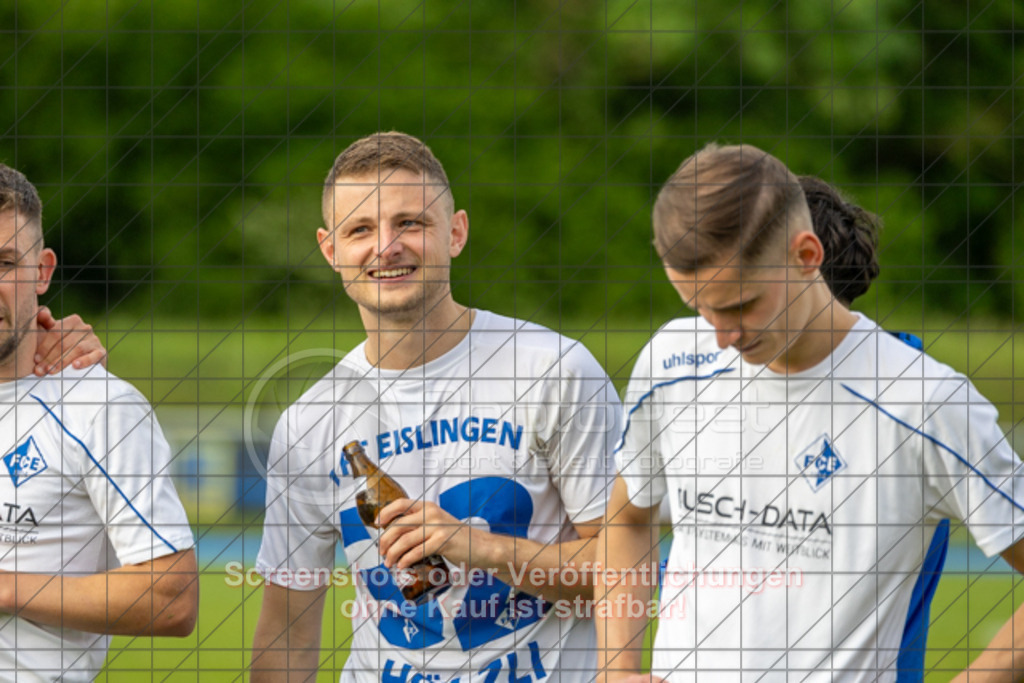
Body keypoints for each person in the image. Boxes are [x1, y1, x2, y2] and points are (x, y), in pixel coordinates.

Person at [596, 143, 1024, 682]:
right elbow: (628, 518)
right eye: (698, 308)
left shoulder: (923, 400)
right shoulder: (671, 360)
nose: (722, 336)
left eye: (740, 305)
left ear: (806, 255)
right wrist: (614, 667)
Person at [250, 132, 622, 682]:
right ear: (331, 251)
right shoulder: (309, 420)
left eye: (410, 223)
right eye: (360, 230)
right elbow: (287, 631)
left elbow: (626, 569)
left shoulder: (555, 370)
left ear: (456, 233)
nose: (386, 247)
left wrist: (476, 546)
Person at [0, 163, 198, 681]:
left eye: (2, 263)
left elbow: (170, 597)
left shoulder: (99, 408)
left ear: (42, 272)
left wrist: (3, 588)